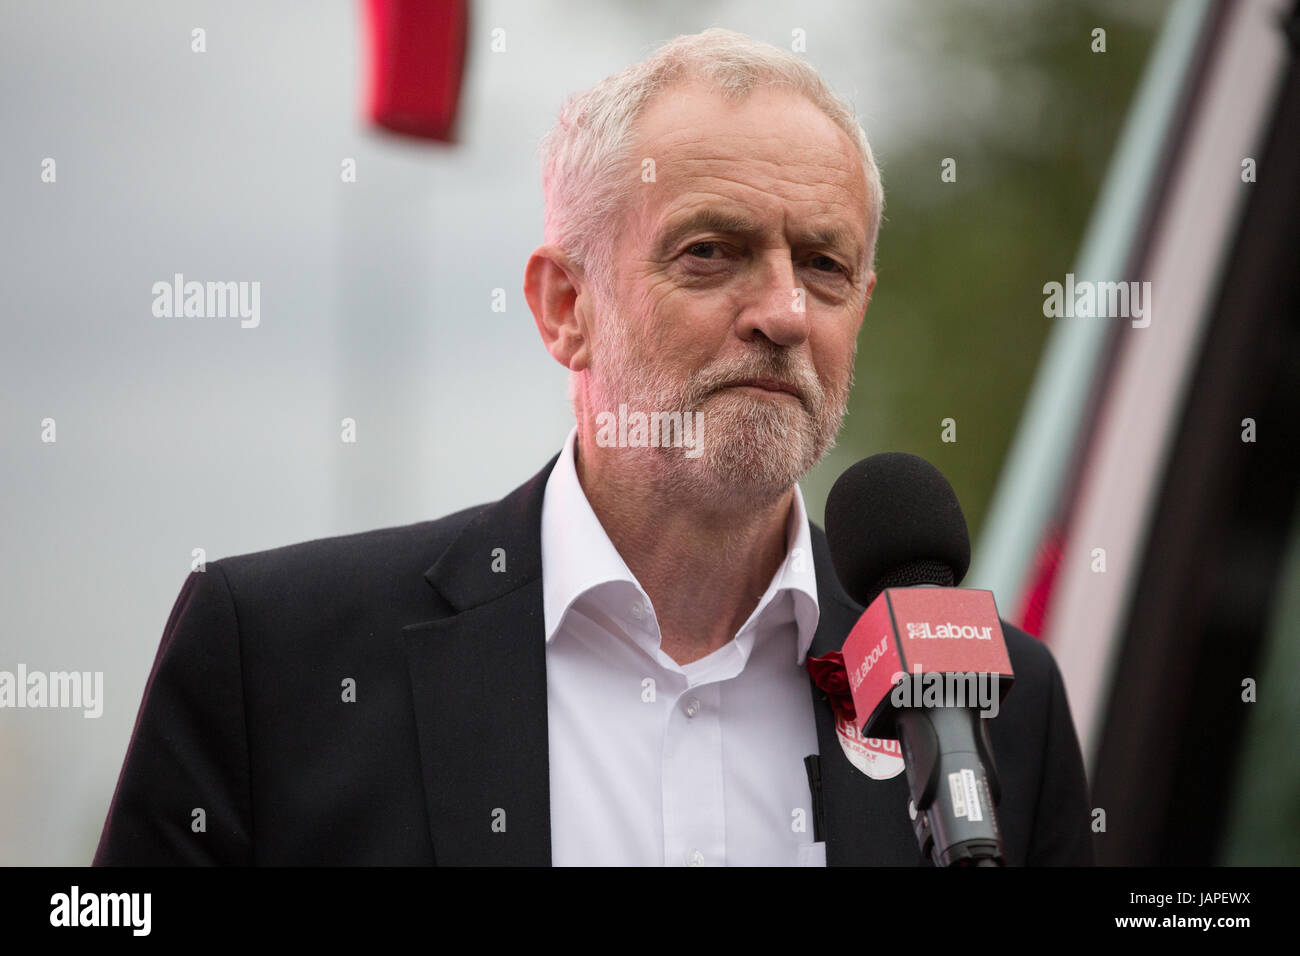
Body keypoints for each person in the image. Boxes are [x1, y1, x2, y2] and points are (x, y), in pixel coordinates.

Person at [94, 28, 1093, 866]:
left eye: (824, 266)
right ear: (565, 307)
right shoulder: (275, 661)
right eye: (711, 251)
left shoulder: (999, 701)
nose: (785, 311)